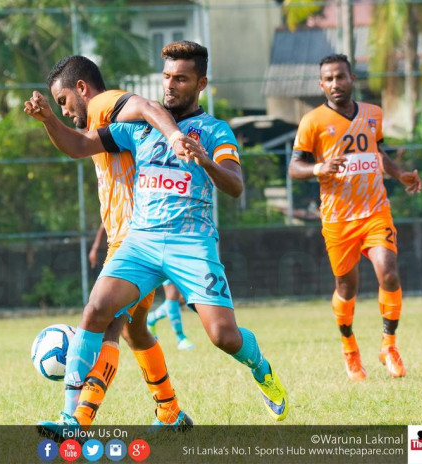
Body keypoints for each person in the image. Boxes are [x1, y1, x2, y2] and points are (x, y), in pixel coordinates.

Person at [26, 40, 289, 423]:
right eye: (166, 76)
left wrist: (205, 161)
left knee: (223, 337)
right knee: (96, 310)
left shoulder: (215, 130)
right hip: (142, 241)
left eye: (181, 79)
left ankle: (262, 368)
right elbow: (79, 145)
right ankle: (70, 421)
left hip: (191, 243)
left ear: (201, 84)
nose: (170, 85)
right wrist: (50, 119)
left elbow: (234, 185)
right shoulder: (139, 128)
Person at [25, 56, 200, 434]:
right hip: (130, 239)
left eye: (65, 102)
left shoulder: (105, 104)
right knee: (134, 331)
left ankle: (76, 420)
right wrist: (49, 121)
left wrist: (172, 135)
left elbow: (147, 106)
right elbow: (73, 147)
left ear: (83, 89)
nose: (66, 111)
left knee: (104, 323)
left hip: (138, 243)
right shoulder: (94, 123)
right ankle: (170, 411)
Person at [288, 54, 422, 381]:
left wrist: (400, 173)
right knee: (346, 287)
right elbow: (294, 168)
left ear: (352, 79)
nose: (336, 84)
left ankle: (388, 345)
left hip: (375, 211)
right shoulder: (312, 122)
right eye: (329, 79)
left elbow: (377, 154)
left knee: (388, 271)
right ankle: (350, 349)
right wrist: (319, 167)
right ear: (322, 85)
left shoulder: (373, 114)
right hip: (338, 220)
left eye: (341, 77)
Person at [147, 280, 196, 350]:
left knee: (181, 300)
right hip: (168, 269)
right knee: (172, 295)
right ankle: (181, 338)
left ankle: (150, 319)